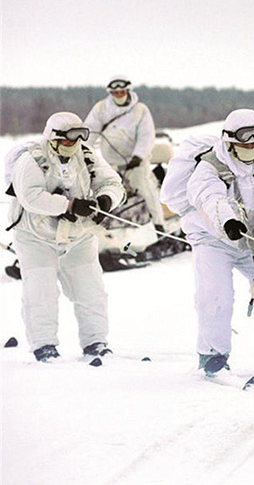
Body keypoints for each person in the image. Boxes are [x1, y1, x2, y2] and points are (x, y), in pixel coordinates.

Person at [180, 109, 254, 375]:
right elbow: (210, 197)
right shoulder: (210, 166)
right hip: (215, 239)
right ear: (230, 139)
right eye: (245, 136)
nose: (252, 142)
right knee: (216, 296)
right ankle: (213, 356)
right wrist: (229, 222)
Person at [7, 112, 125, 362]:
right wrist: (69, 205)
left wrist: (105, 200)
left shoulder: (87, 156)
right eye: (69, 138)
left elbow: (114, 184)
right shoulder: (32, 159)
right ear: (54, 137)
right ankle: (44, 346)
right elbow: (31, 197)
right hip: (35, 238)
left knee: (90, 290)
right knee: (41, 293)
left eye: (79, 137)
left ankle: (96, 342)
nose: (74, 143)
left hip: (78, 237)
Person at [84, 75, 166, 233]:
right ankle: (103, 226)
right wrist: (84, 151)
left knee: (145, 187)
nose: (119, 95)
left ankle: (159, 225)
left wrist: (138, 156)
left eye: (122, 91)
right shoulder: (101, 108)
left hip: (135, 162)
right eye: (115, 92)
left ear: (128, 91)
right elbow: (90, 131)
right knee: (103, 190)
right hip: (109, 162)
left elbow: (146, 135)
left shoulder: (140, 110)